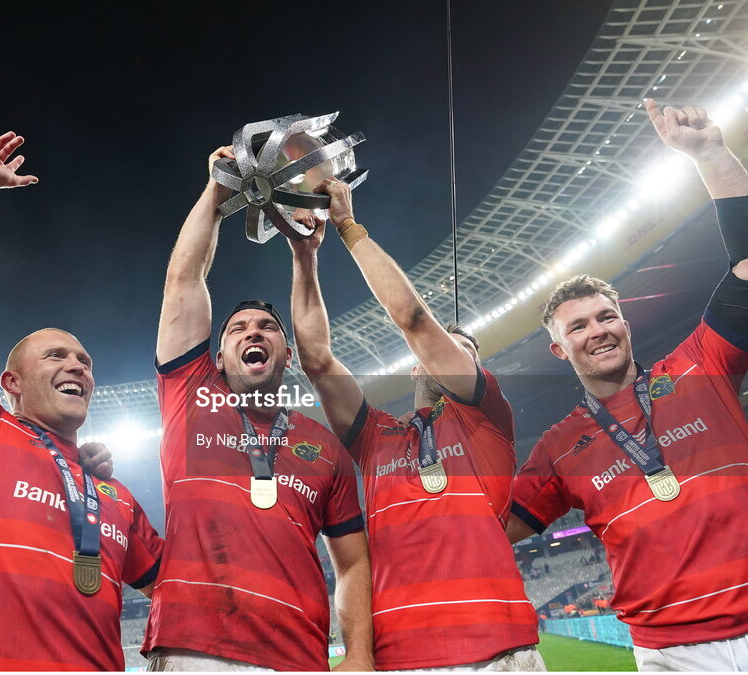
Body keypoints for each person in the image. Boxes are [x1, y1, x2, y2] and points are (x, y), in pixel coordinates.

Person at [508, 99, 748, 671]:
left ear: (626, 321)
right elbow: (491, 528)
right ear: (558, 349)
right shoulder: (559, 447)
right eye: (579, 326)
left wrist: (711, 155)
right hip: (672, 653)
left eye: (606, 316)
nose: (598, 331)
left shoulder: (700, 362)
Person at [0, 131, 163, 670]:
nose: (78, 365)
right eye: (55, 356)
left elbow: (176, 583)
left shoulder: (115, 495)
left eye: (84, 361)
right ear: (9, 383)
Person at [289, 183, 542, 671]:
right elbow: (317, 361)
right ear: (414, 367)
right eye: (444, 349)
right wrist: (304, 256)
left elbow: (414, 319)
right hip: (402, 657)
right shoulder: (374, 437)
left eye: (466, 351)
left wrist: (347, 225)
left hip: (498, 651)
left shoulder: (485, 418)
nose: (451, 355)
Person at [145, 146, 373, 671]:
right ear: (217, 358)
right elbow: (184, 281)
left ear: (286, 356)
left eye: (268, 327)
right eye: (237, 329)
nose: (253, 332)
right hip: (191, 650)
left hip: (299, 656)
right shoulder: (189, 398)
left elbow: (354, 560)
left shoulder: (326, 450)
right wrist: (217, 191)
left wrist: (359, 655)